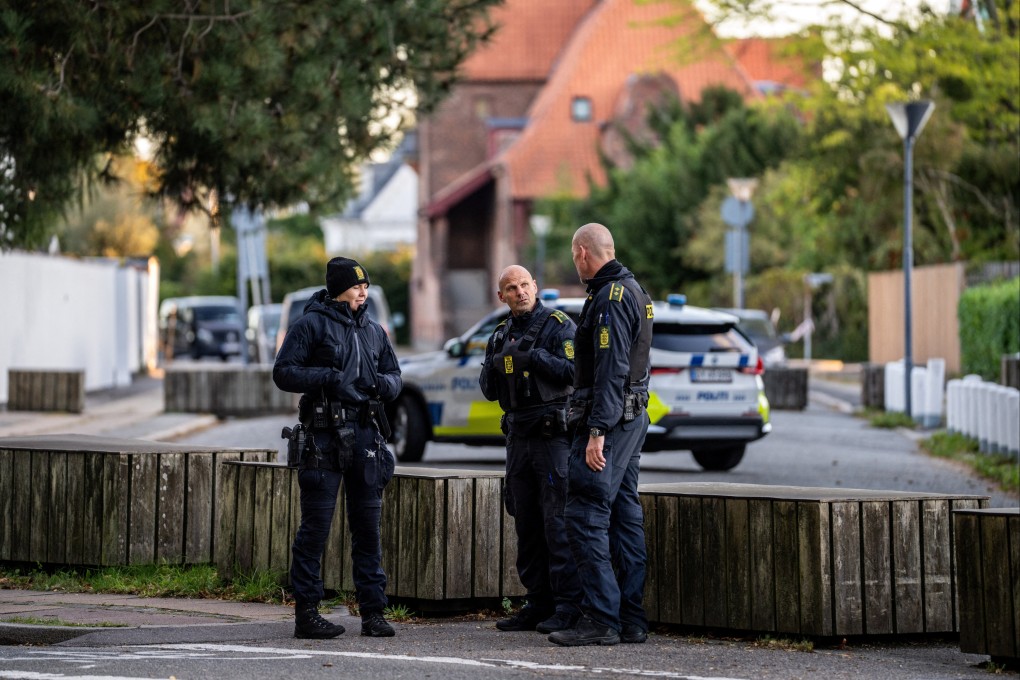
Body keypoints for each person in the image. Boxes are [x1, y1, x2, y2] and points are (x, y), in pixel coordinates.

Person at [273, 257, 401, 640]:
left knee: (368, 530)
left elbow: (396, 376)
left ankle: (373, 614)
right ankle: (307, 614)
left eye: (366, 285)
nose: (364, 291)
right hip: (323, 438)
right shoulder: (311, 323)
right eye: (357, 285)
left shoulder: (374, 330)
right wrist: (328, 377)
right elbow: (283, 372)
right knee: (314, 530)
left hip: (364, 435)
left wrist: (381, 385)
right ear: (338, 288)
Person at [548, 223, 653, 647]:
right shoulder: (634, 290)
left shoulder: (609, 298)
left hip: (609, 422)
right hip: (630, 419)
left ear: (581, 252)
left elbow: (612, 372)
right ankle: (631, 619)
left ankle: (601, 619)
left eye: (574, 256)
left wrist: (597, 431)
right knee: (625, 516)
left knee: (586, 516)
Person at [479, 265, 583, 634]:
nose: (520, 292)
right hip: (518, 437)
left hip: (552, 437)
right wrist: (496, 364)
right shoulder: (500, 333)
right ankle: (537, 603)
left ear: (535, 287)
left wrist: (533, 358)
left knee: (556, 521)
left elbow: (575, 373)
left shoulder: (558, 326)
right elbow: (489, 389)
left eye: (525, 285)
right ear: (501, 296)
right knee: (525, 522)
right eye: (511, 287)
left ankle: (568, 606)